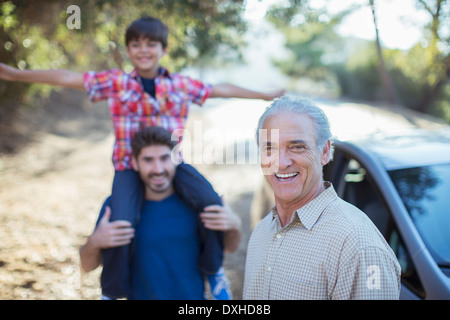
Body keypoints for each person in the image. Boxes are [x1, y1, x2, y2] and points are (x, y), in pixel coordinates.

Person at [0, 16, 283, 299]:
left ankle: (213, 270)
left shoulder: (180, 85)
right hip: (128, 167)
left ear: (164, 49)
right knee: (120, 223)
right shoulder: (116, 82)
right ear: (128, 51)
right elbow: (67, 77)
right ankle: (112, 292)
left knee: (210, 201)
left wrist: (263, 96)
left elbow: (222, 88)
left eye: (151, 43)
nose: (143, 49)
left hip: (173, 162)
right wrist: (14, 74)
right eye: (135, 44)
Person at [243, 96, 401, 300]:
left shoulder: (357, 245)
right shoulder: (261, 232)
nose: (281, 163)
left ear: (325, 152)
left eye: (297, 147)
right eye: (269, 148)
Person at [80, 126, 242, 300]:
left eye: (164, 158)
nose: (158, 169)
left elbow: (229, 248)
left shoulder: (196, 203)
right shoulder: (117, 208)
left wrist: (235, 225)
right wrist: (95, 241)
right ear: (135, 163)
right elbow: (87, 265)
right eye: (148, 160)